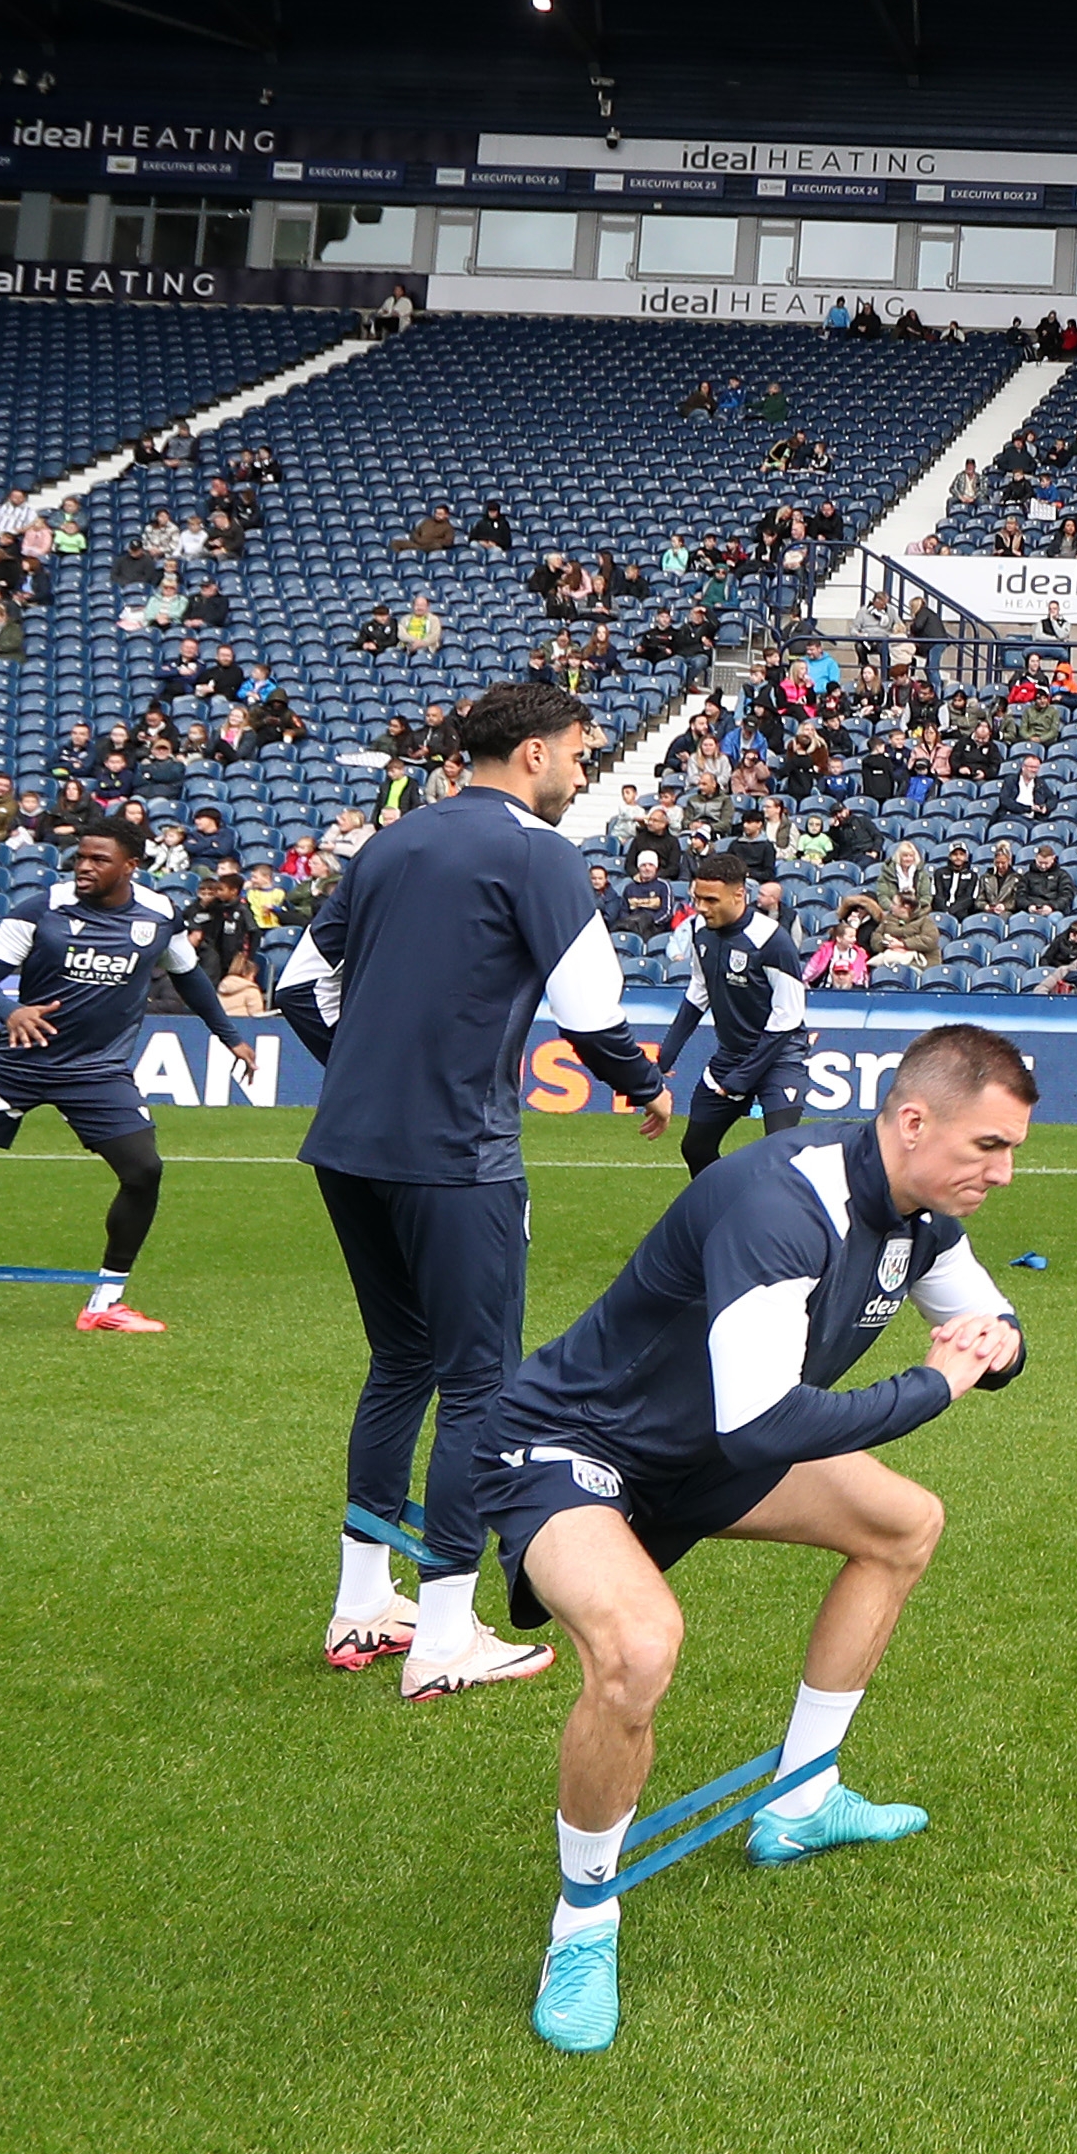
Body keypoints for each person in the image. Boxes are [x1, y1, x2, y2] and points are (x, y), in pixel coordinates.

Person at [493, 1024, 1036, 2052]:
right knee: (637, 1648)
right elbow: (765, 1421)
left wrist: (993, 1344)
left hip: (710, 1451)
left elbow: (999, 1327)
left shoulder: (921, 1211)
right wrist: (934, 1383)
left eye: (1010, 1149)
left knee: (904, 1524)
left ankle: (802, 1798)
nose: (1003, 1172)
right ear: (914, 1121)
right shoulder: (783, 1201)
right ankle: (583, 1922)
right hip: (580, 1447)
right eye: (988, 1146)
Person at [278, 686, 675, 1697]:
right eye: (581, 754)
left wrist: (369, 1067)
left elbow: (295, 987)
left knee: (400, 1361)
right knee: (481, 1385)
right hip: (456, 1155)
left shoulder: (388, 843)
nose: (585, 773)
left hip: (349, 1145)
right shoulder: (539, 852)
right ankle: (445, 1635)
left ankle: (363, 1602)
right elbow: (589, 1010)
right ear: (534, 752)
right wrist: (642, 1079)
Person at [0, 816, 255, 1342]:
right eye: (81, 856)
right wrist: (11, 1013)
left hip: (96, 1072)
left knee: (143, 1172)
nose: (84, 866)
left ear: (131, 865)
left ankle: (106, 1302)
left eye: (98, 859)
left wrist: (230, 1035)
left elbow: (190, 978)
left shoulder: (157, 915)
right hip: (16, 1064)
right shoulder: (41, 909)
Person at [657, 851, 814, 1179]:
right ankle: (723, 1211)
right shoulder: (702, 931)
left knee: (781, 1156)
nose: (701, 907)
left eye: (711, 900)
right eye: (697, 898)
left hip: (778, 1059)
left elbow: (787, 1018)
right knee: (696, 1148)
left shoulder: (773, 942)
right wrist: (664, 1057)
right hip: (730, 1056)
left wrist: (743, 1078)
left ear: (739, 894)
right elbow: (696, 995)